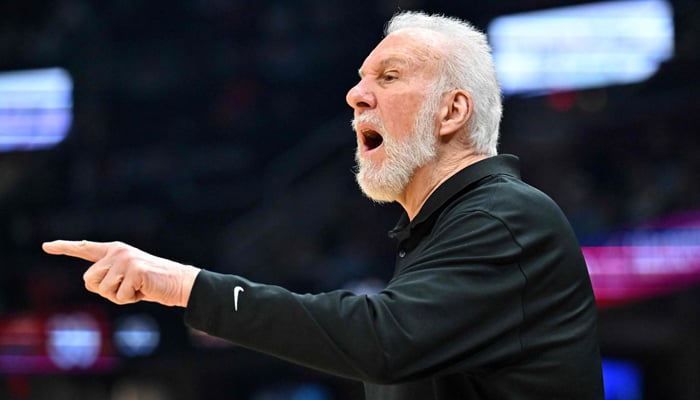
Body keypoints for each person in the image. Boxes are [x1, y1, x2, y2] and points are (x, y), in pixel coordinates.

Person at [43, 11, 604, 400]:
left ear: (452, 111)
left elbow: (380, 341)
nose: (356, 94)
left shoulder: (506, 218)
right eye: (360, 80)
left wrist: (182, 284)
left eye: (389, 77)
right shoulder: (445, 235)